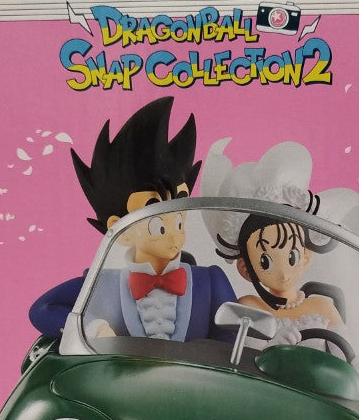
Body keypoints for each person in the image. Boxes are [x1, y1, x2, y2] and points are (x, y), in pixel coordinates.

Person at [29, 97, 235, 341]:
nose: (174, 234)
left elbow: (233, 339)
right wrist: (93, 328)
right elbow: (42, 310)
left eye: (179, 221)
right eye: (159, 225)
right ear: (120, 229)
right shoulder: (100, 284)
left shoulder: (210, 281)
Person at [201, 139, 359, 348]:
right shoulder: (249, 307)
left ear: (306, 256)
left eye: (291, 256)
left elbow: (349, 355)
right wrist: (270, 345)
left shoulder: (323, 306)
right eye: (265, 261)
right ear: (245, 269)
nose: (283, 273)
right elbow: (243, 354)